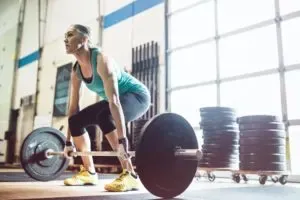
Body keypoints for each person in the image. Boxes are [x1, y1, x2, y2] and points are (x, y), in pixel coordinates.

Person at [62, 24, 150, 192]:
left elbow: (114, 100)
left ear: (84, 39)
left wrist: (123, 141)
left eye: (70, 35)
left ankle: (130, 174)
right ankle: (89, 172)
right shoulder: (76, 71)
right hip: (114, 100)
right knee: (75, 121)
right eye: (65, 36)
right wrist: (68, 141)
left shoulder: (102, 60)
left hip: (137, 97)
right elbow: (73, 107)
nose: (65, 39)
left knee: (105, 116)